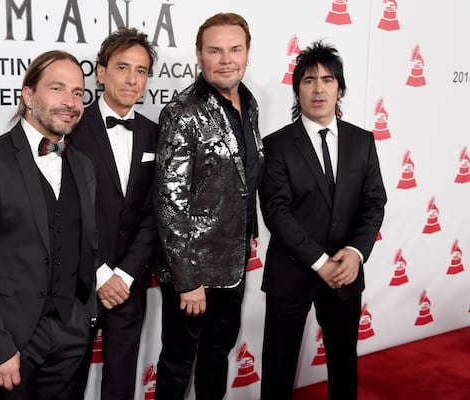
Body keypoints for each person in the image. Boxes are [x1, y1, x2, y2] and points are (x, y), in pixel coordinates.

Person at [0, 50, 98, 400]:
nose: (70, 102)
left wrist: (85, 317)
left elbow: (86, 243)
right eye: (57, 88)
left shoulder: (83, 165)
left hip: (72, 333)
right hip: (10, 337)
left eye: (78, 92)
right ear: (28, 95)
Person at [259, 40, 387, 400]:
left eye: (328, 80)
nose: (319, 89)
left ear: (340, 88)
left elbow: (374, 202)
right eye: (309, 80)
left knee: (344, 363)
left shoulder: (363, 142)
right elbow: (276, 210)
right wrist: (319, 261)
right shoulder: (277, 145)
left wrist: (355, 252)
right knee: (279, 367)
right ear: (297, 88)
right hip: (291, 272)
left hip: (346, 271)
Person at [153, 12, 264, 400]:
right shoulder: (182, 112)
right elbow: (169, 201)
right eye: (215, 50)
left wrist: (248, 234)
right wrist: (187, 280)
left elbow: (243, 180)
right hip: (193, 273)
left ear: (247, 53)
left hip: (233, 265)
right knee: (179, 362)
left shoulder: (249, 106)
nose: (226, 58)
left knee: (217, 356)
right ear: (199, 56)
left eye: (235, 49)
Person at [70, 28, 158, 400]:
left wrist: (123, 274)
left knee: (122, 384)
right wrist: (101, 272)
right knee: (67, 381)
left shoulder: (156, 134)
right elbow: (64, 211)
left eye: (141, 71)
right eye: (123, 68)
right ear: (101, 72)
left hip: (130, 283)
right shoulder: (71, 127)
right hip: (77, 282)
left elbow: (155, 212)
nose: (132, 79)